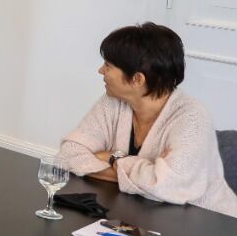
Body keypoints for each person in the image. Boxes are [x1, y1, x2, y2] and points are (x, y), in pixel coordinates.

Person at [57, 23, 237, 218]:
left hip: (207, 222)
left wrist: (113, 158)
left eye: (108, 66)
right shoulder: (114, 101)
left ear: (137, 79)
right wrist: (147, 172)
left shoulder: (193, 118)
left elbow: (166, 186)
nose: (101, 70)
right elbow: (68, 155)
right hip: (139, 212)